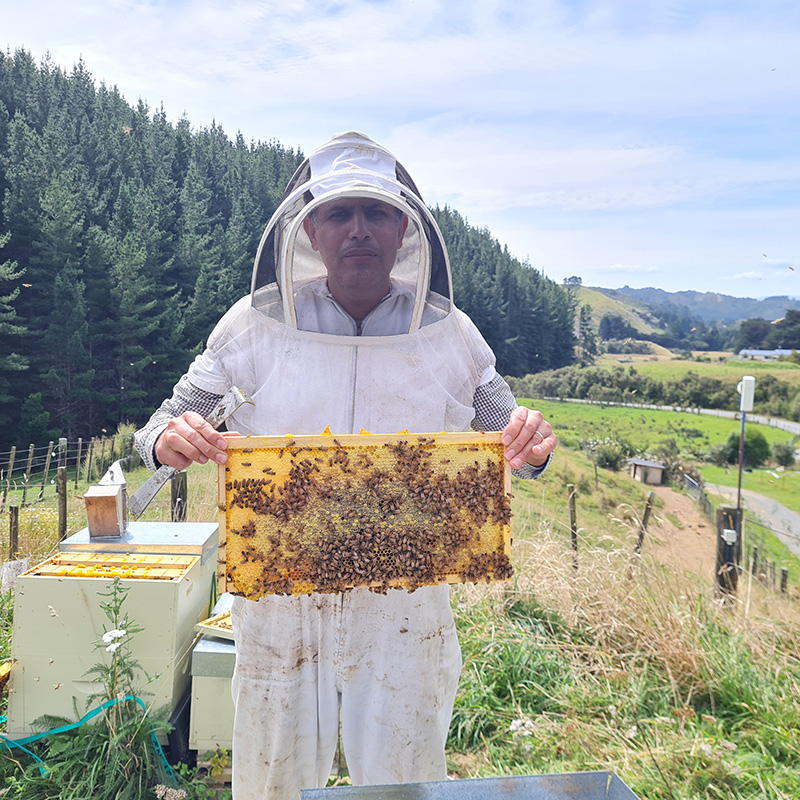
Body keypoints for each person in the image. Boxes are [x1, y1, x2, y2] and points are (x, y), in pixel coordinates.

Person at [135, 132, 557, 799]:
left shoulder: (450, 335)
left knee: (404, 778)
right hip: (280, 600)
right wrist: (169, 442)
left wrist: (533, 444)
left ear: (402, 229)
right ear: (309, 231)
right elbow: (156, 430)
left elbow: (515, 439)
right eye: (338, 214)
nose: (358, 228)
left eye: (374, 213)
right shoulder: (251, 327)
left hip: (407, 604)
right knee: (271, 777)